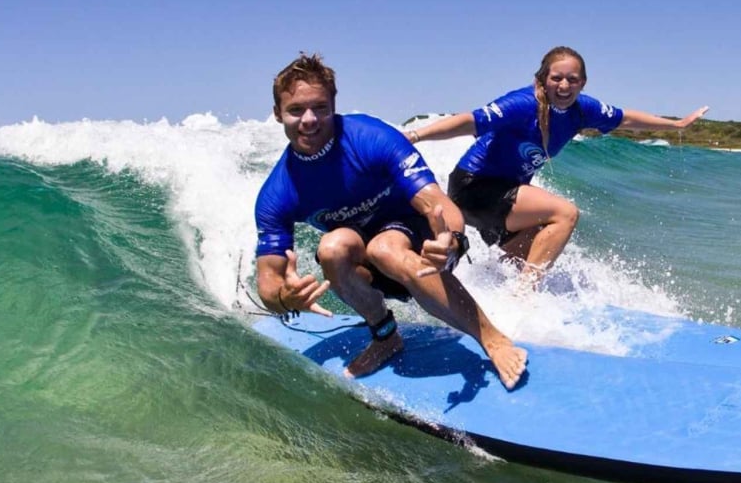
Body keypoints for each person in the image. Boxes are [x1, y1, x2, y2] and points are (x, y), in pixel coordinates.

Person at [254, 53, 528, 388]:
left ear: (333, 105)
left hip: (424, 245)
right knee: (332, 248)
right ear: (278, 114)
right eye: (296, 110)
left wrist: (453, 240)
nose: (309, 119)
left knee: (386, 246)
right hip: (368, 267)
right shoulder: (278, 191)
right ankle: (385, 336)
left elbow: (437, 203)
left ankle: (492, 339)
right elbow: (268, 283)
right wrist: (286, 298)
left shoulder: (371, 138)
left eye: (320, 108)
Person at [407, 46, 709, 279]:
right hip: (475, 188)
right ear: (543, 79)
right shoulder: (522, 104)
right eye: (557, 78)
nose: (564, 85)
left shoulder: (582, 110)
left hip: (505, 193)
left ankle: (494, 296)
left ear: (583, 83)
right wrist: (417, 135)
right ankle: (525, 295)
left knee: (532, 250)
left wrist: (677, 125)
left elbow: (626, 118)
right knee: (565, 213)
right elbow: (469, 121)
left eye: (572, 79)